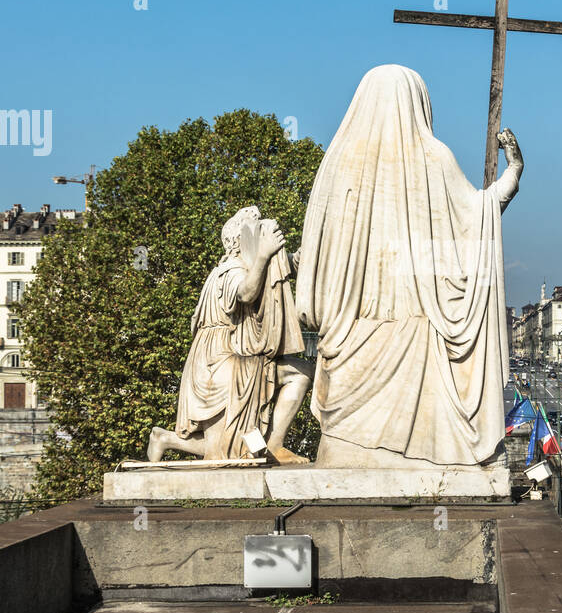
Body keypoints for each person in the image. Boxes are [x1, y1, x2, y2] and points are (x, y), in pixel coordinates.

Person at [295, 65, 522, 468]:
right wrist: (513, 173)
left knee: (340, 460)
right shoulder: (433, 157)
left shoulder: (335, 164)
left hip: (351, 339)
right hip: (419, 337)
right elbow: (476, 219)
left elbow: (316, 253)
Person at [148, 207, 312, 463]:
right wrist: (263, 254)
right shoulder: (231, 270)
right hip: (218, 361)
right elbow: (246, 293)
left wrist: (306, 249)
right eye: (255, 232)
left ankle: (274, 446)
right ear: (241, 241)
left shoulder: (248, 267)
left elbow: (281, 268)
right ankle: (165, 439)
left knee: (300, 374)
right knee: (225, 450)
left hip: (234, 356)